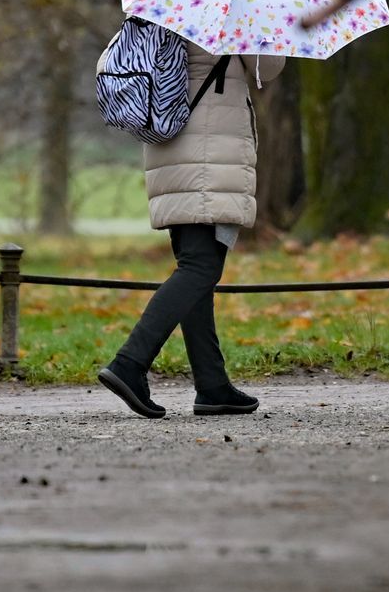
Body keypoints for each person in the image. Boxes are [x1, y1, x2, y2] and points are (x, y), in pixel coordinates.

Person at [95, 40, 280, 418]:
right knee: (201, 267)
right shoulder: (230, 8)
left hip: (171, 142)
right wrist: (265, 31)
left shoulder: (168, 7)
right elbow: (268, 69)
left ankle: (212, 386)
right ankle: (130, 363)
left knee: (197, 266)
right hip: (209, 152)